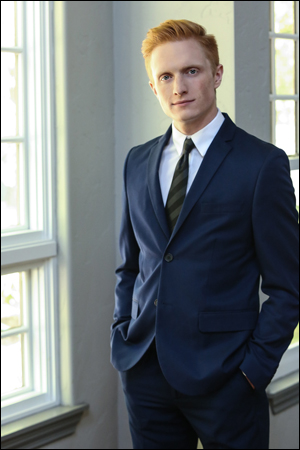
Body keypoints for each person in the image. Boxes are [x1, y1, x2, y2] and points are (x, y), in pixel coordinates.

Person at [110, 19, 299, 449]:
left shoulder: (261, 164)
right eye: (166, 76)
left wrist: (253, 370)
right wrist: (123, 331)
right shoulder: (137, 163)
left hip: (228, 380)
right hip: (145, 374)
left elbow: (290, 286)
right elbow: (130, 264)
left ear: (216, 74)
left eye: (192, 71)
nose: (179, 86)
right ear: (154, 87)